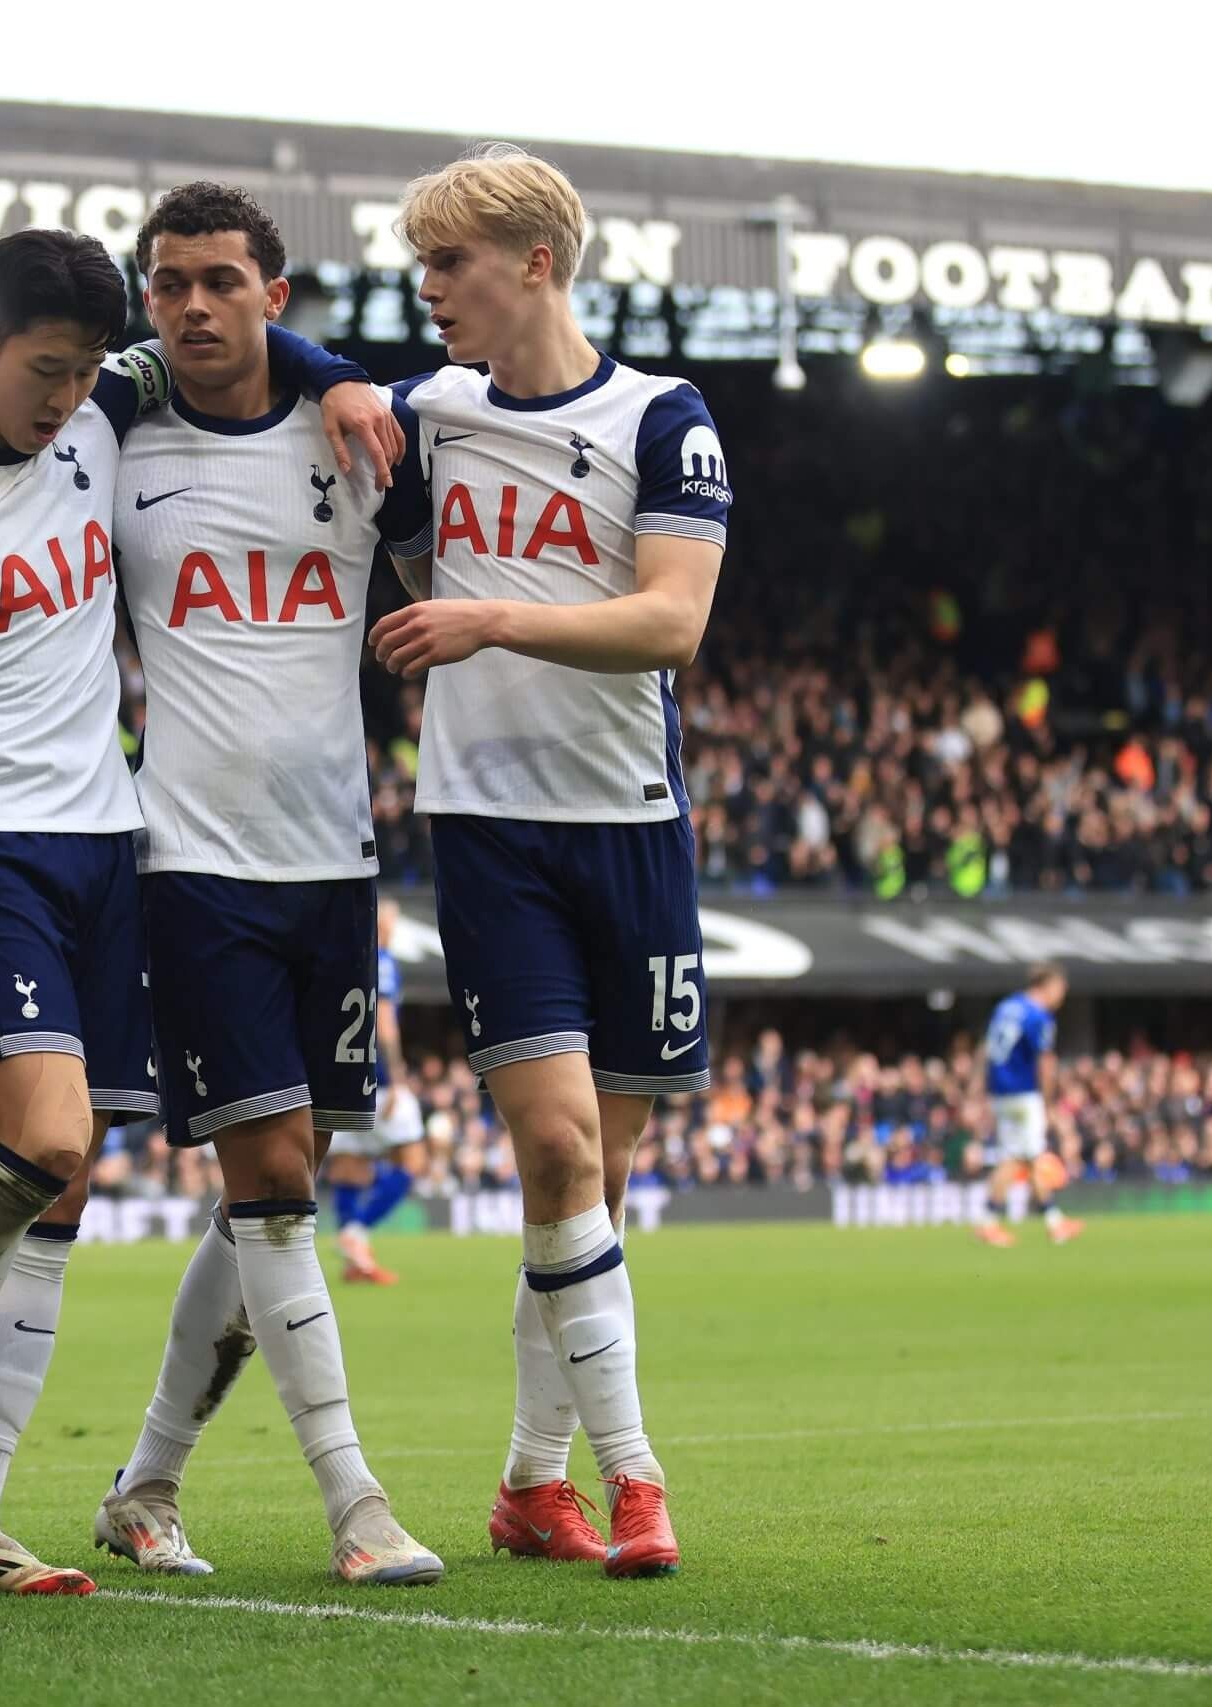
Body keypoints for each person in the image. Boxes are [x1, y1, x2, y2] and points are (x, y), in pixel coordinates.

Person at [0, 223, 400, 1597]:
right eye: (41, 371)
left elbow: (242, 340)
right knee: (47, 1135)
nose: (65, 400)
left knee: (67, 1181)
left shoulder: (111, 411)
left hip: (113, 844)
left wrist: (334, 374)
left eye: (86, 373)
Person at [370, 143, 733, 1579]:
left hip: (634, 822)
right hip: (491, 824)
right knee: (560, 1144)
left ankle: (531, 1479)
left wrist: (489, 618)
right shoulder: (425, 412)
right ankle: (635, 1477)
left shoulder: (664, 416)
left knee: (588, 1184)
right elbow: (325, 405)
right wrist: (338, 377)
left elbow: (671, 623)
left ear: (535, 262)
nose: (428, 291)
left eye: (448, 264)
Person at [89, 181, 441, 1586]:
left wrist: (342, 378)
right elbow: (7, 400)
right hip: (192, 860)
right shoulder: (115, 440)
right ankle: (355, 1501)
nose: (191, 306)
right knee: (278, 1175)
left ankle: (147, 1478)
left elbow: (443, 577)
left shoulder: (356, 439)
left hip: (335, 862)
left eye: (221, 281)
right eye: (167, 282)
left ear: (273, 295)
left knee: (276, 1187)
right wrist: (334, 364)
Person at [324, 895, 422, 1283]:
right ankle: (355, 1232)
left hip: (342, 1078)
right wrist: (397, 1078)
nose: (392, 930)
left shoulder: (343, 959)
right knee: (413, 1162)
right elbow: (384, 1023)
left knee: (350, 1169)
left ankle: (356, 1264)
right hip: (379, 1081)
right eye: (390, 923)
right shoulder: (381, 960)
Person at [974, 963, 1081, 1247]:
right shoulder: (1039, 1016)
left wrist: (981, 1087)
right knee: (1017, 1157)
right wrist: (1047, 1102)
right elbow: (1045, 1062)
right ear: (1047, 985)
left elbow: (986, 1048)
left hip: (1000, 1091)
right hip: (1023, 1093)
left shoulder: (1006, 1007)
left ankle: (1054, 1221)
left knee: (1031, 1155)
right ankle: (988, 1220)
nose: (1062, 996)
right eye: (1060, 989)